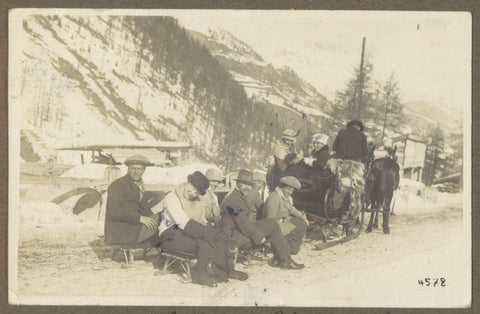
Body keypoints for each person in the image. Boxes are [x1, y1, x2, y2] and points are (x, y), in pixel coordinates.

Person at [154, 171, 248, 287]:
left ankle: (226, 271)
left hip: (186, 232)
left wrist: (215, 231)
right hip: (169, 235)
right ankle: (200, 275)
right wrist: (210, 233)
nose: (193, 192)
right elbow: (182, 222)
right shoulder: (172, 197)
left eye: (196, 192)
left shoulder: (196, 201)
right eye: (192, 187)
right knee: (205, 241)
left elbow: (201, 220)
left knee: (219, 237)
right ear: (187, 182)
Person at [219, 169, 304, 270]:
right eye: (244, 184)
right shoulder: (233, 200)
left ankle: (281, 258)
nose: (247, 187)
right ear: (237, 183)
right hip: (234, 237)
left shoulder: (241, 196)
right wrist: (260, 237)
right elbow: (243, 223)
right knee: (272, 224)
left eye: (249, 184)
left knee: (272, 224)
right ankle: (284, 259)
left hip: (240, 232)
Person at [104, 155, 161, 247]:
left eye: (139, 169)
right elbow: (114, 211)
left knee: (163, 216)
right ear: (128, 169)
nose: (136, 172)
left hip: (132, 226)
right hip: (121, 231)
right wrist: (139, 218)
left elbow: (136, 206)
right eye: (133, 168)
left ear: (144, 170)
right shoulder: (118, 185)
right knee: (163, 221)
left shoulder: (138, 185)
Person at [262, 176, 308, 255]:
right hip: (274, 227)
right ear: (282, 187)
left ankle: (290, 247)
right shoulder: (275, 197)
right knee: (298, 226)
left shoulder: (285, 197)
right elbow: (269, 220)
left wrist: (302, 217)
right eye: (288, 189)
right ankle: (280, 246)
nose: (290, 192)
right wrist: (286, 226)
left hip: (281, 222)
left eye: (292, 190)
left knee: (301, 223)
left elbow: (291, 209)